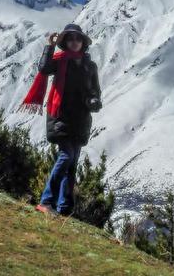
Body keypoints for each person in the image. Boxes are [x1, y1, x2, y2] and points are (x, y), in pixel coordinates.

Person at [18, 23, 102, 216]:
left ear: (83, 42)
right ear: (65, 42)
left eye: (78, 38)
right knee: (66, 157)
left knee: (72, 164)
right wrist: (50, 46)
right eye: (70, 38)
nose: (74, 42)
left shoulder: (90, 66)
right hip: (60, 116)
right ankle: (46, 201)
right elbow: (44, 68)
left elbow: (94, 91)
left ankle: (65, 209)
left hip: (81, 119)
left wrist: (94, 101)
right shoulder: (59, 60)